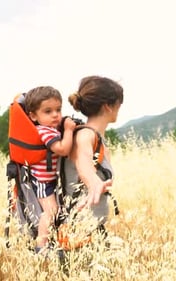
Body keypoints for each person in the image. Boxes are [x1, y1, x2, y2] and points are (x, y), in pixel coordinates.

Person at [63, 75, 124, 233]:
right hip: (77, 229)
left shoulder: (96, 138)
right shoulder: (85, 135)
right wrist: (92, 182)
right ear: (108, 106)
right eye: (119, 103)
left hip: (92, 228)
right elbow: (82, 160)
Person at [23, 86, 76, 252]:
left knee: (57, 211)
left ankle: (52, 241)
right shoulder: (43, 131)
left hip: (51, 180)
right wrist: (68, 130)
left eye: (58, 110)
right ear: (33, 115)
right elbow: (63, 149)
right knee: (51, 211)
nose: (55, 115)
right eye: (48, 111)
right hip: (43, 181)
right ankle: (41, 246)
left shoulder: (51, 129)